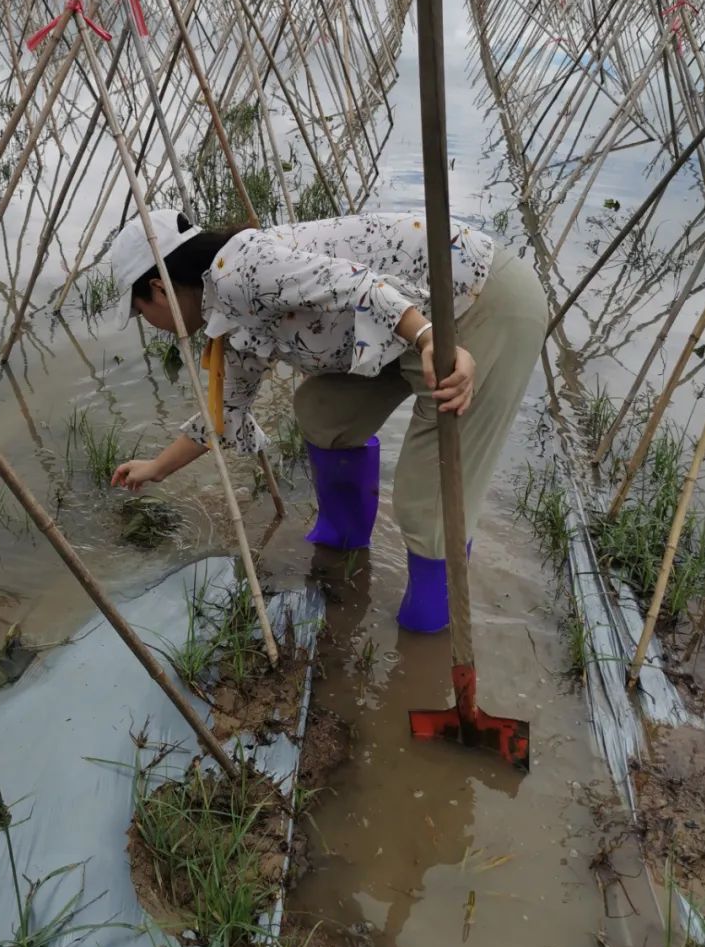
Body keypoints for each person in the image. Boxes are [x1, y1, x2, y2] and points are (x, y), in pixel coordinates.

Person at [108, 208, 548, 633]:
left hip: (476, 304)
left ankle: (428, 632)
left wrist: (430, 338)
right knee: (323, 410)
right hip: (406, 327)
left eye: (140, 311)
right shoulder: (225, 311)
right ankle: (344, 545)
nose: (148, 323)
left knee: (428, 499)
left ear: (159, 289)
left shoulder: (239, 270)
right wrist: (156, 469)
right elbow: (226, 413)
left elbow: (361, 285)